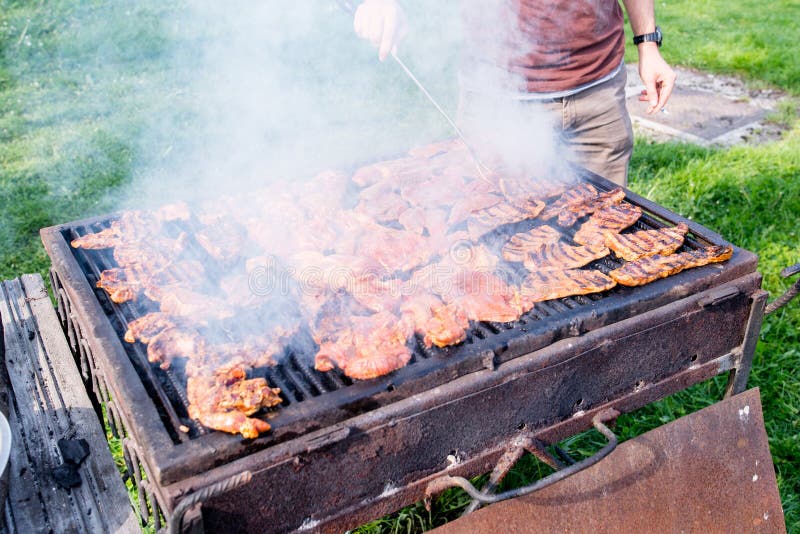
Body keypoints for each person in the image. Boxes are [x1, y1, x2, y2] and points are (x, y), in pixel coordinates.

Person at [352, 0, 677, 187]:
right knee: (491, 243)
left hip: (598, 94)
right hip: (498, 103)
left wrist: (648, 43)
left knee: (606, 237)